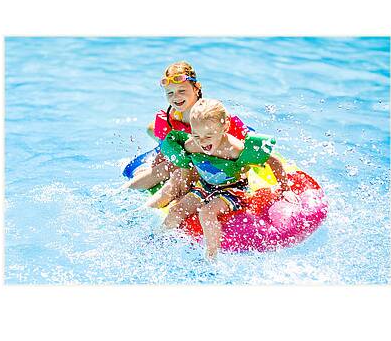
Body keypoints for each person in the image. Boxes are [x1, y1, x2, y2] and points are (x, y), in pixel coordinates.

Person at [160, 99, 294, 261]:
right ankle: (159, 242)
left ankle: (211, 258)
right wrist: (184, 184)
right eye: (196, 135)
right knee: (176, 210)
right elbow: (187, 163)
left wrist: (285, 189)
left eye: (208, 135)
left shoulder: (234, 149)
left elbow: (272, 161)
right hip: (205, 186)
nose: (202, 141)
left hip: (234, 190)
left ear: (224, 127)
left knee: (206, 214)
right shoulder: (192, 145)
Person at [124, 61, 248, 209]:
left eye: (181, 91)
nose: (175, 97)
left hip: (208, 163)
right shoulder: (173, 116)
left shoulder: (209, 115)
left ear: (197, 88)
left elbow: (239, 142)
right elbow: (169, 148)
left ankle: (146, 208)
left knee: (174, 171)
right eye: (170, 93)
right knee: (166, 163)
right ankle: (125, 190)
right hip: (186, 157)